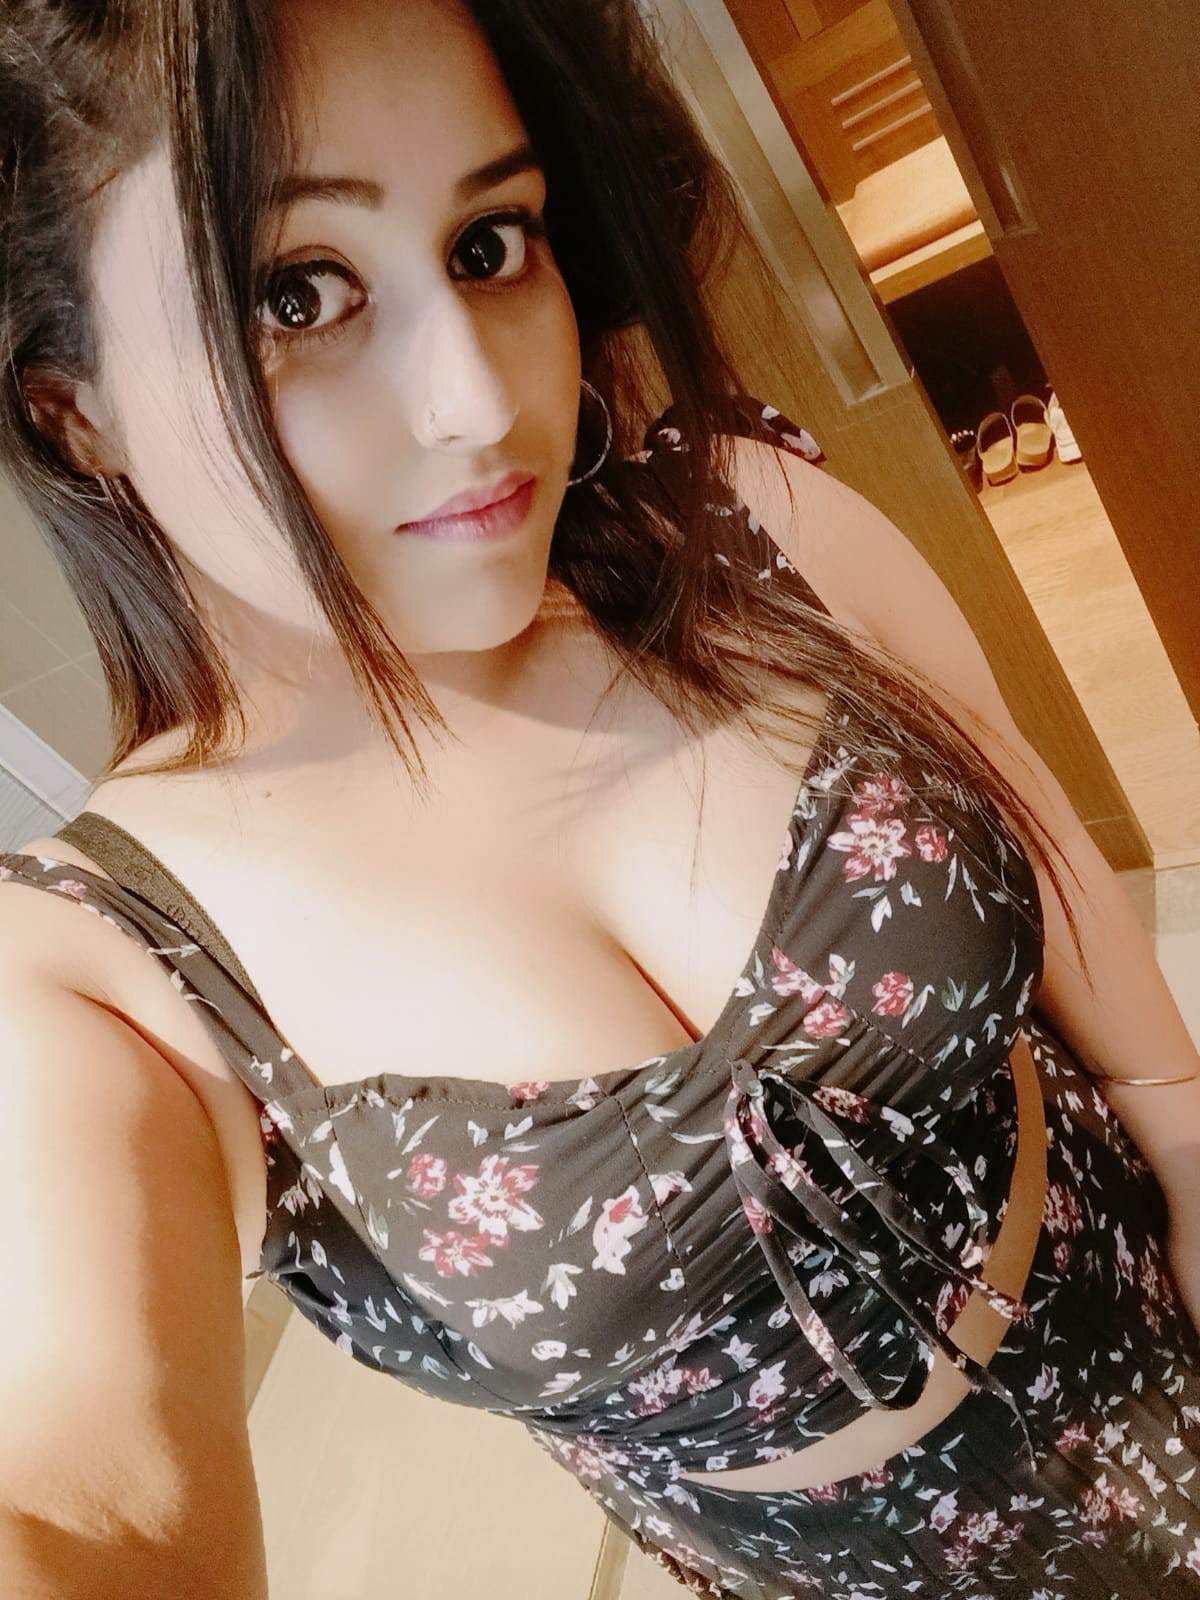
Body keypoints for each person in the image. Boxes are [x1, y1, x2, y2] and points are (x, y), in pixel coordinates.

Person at [1, 1, 1197, 1596]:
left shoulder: (738, 530)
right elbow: (94, 1496)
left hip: (1159, 1312)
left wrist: (1191, 1138)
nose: (474, 398)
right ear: (71, 406)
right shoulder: (104, 971)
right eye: (297, 293)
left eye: (490, 243)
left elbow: (1029, 824)